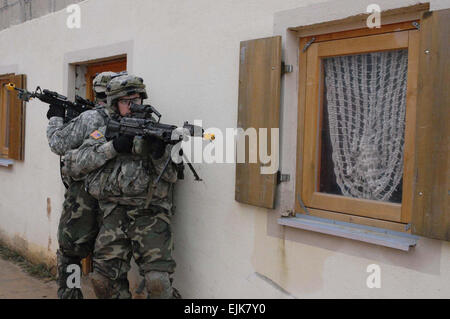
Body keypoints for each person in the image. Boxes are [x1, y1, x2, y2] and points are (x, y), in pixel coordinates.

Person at [61, 74, 180, 299]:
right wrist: (112, 147)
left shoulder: (156, 132)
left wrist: (159, 153)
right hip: (113, 214)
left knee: (157, 283)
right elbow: (74, 163)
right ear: (114, 103)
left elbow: (173, 175)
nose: (133, 106)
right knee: (103, 281)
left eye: (136, 100)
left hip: (149, 213)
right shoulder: (106, 130)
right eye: (126, 101)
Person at [46, 71, 122, 299]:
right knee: (111, 257)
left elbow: (57, 143)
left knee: (71, 251)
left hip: (83, 196)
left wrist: (55, 117)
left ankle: (71, 293)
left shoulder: (90, 118)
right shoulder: (125, 116)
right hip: (114, 195)